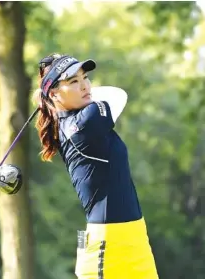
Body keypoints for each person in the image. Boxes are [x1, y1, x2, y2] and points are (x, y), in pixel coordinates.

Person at [32, 53, 159, 279]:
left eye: (85, 77)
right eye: (73, 81)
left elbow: (101, 96)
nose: (85, 86)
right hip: (106, 245)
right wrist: (47, 95)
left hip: (136, 237)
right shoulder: (87, 121)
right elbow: (117, 95)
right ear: (54, 93)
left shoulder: (77, 120)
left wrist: (51, 94)